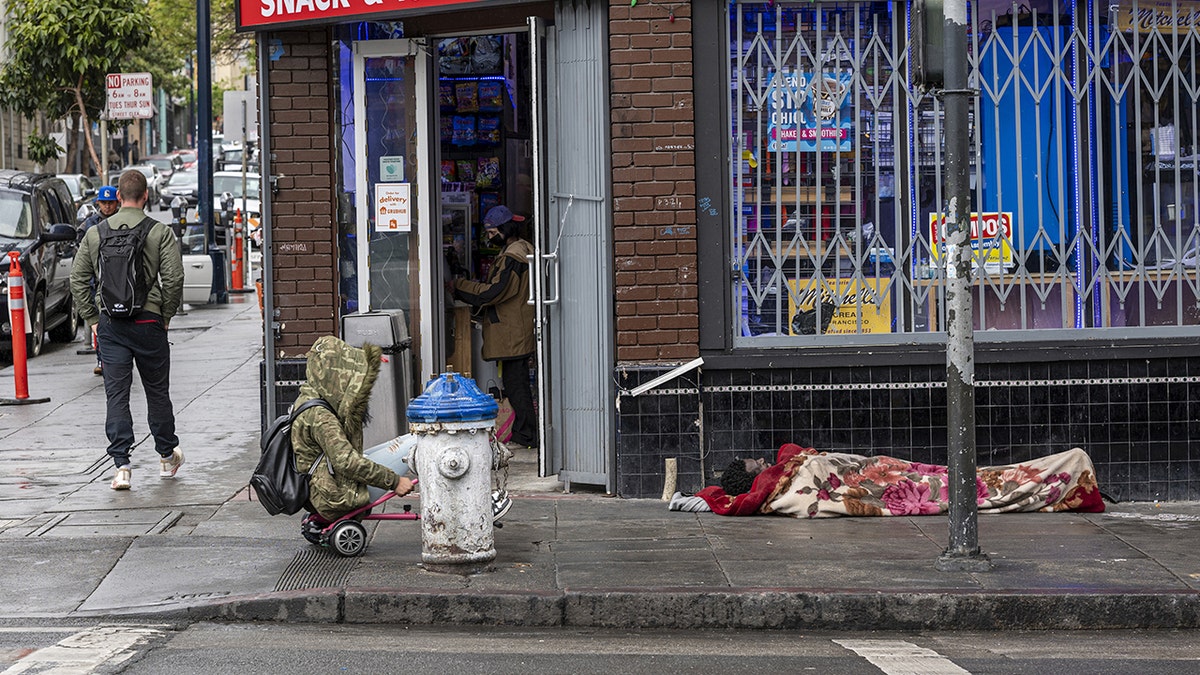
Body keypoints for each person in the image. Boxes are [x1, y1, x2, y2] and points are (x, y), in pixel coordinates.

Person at [69, 169, 185, 491]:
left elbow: (77, 280)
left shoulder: (96, 234)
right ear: (146, 196)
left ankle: (121, 466)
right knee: (157, 392)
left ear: (118, 197)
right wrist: (166, 315)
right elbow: (174, 279)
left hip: (111, 325)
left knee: (116, 395)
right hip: (149, 322)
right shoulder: (159, 232)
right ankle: (165, 456)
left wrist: (93, 318)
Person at [291, 336, 414, 520]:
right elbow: (346, 462)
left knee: (404, 442)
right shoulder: (321, 416)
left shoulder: (307, 398)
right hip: (337, 495)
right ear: (337, 376)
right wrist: (394, 482)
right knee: (415, 442)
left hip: (322, 486)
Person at [451, 205, 538, 453]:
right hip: (516, 328)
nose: (489, 237)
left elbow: (494, 292)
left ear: (504, 229)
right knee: (515, 382)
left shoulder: (512, 257)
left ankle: (526, 434)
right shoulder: (522, 249)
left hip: (512, 331)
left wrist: (459, 286)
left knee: (515, 384)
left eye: (491, 232)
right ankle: (525, 432)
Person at [77, 185, 120, 376]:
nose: (108, 207)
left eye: (111, 203)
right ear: (98, 203)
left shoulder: (122, 221)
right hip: (98, 280)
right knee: (101, 322)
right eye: (104, 203)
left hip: (119, 279)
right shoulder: (90, 225)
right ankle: (102, 360)